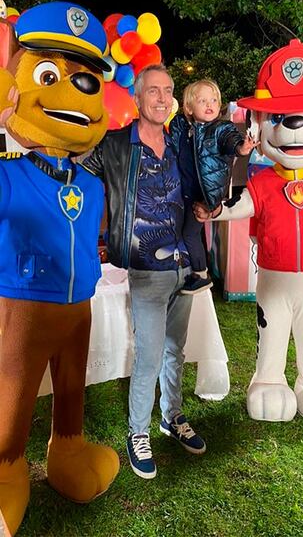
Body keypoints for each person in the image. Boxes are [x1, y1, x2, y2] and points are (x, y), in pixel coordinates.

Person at [81, 63, 206, 480]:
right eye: (153, 90)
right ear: (137, 98)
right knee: (150, 355)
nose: (162, 97)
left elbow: (199, 188)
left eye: (168, 90)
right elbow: (74, 171)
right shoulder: (116, 145)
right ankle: (138, 432)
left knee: (176, 350)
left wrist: (211, 205)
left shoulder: (178, 145)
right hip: (146, 268)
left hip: (184, 267)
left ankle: (172, 417)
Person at [171, 79, 256, 294]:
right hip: (183, 192)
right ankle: (188, 269)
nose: (210, 104)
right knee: (185, 233)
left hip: (204, 195)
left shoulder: (220, 128)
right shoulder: (183, 126)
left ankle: (201, 275)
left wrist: (241, 147)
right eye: (202, 101)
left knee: (189, 234)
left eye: (214, 100)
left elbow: (231, 139)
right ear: (189, 108)